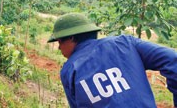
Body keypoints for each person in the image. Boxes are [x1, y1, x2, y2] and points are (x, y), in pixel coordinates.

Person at [47, 13, 177, 108]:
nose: (59, 47)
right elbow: (172, 59)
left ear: (71, 38)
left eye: (59, 42)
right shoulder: (125, 43)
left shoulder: (69, 69)